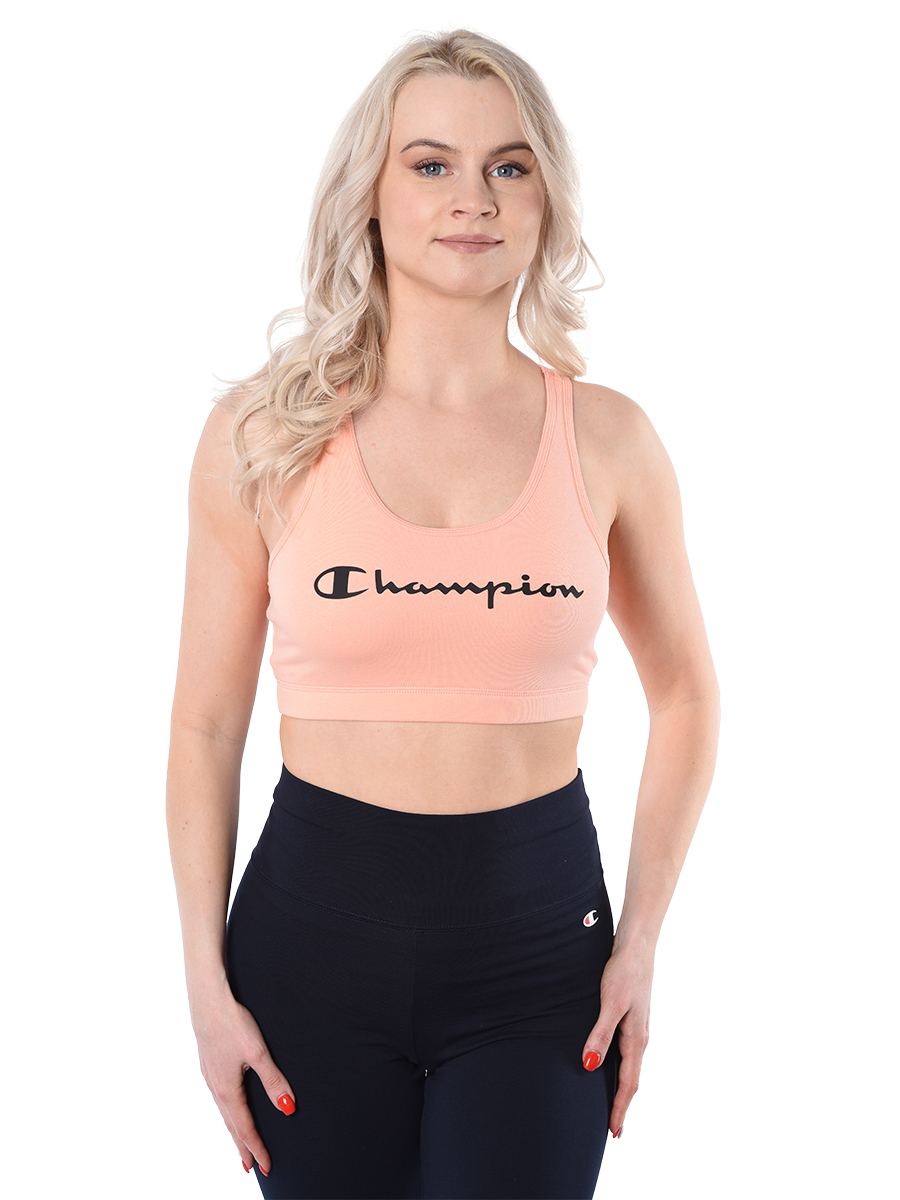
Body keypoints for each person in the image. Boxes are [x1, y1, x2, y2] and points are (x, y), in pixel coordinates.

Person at [166, 28, 720, 1200]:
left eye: (509, 166)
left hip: (542, 960)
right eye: (431, 164)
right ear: (369, 194)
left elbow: (685, 694)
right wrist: (204, 986)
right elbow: (205, 725)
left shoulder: (611, 439)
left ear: (546, 199)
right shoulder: (264, 436)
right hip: (308, 951)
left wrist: (642, 941)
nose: (474, 197)